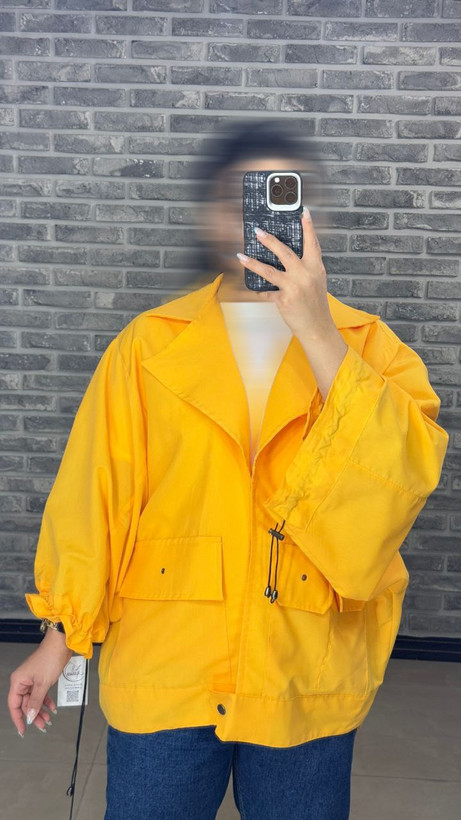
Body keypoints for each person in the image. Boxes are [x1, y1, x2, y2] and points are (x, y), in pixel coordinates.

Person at [7, 119, 449, 819]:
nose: (262, 218)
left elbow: (398, 481)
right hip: (167, 666)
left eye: (285, 195)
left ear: (311, 216)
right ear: (214, 215)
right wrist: (58, 639)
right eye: (242, 196)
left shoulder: (369, 348)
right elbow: (95, 498)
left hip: (304, 672)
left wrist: (318, 330)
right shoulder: (147, 347)